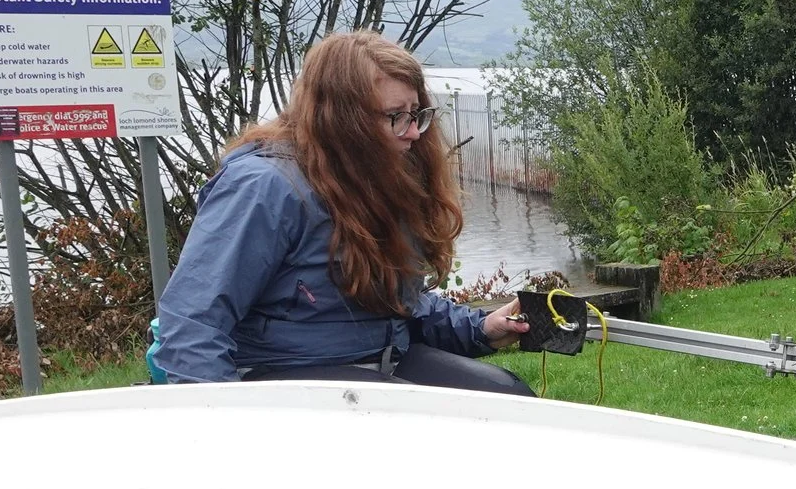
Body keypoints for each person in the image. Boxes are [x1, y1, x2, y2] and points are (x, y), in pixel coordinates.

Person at [151, 30, 532, 388]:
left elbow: (398, 304)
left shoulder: (378, 177)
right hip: (282, 378)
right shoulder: (262, 187)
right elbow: (191, 327)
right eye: (395, 116)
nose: (414, 132)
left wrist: (481, 327)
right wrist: (230, 426)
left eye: (416, 114)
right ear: (340, 119)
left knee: (507, 396)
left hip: (382, 363)